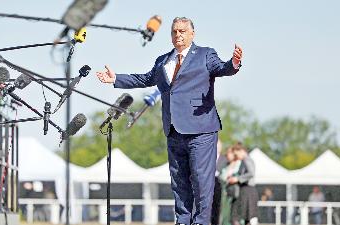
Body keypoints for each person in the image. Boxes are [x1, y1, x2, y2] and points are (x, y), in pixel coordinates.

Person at [96, 16, 243, 225]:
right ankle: (182, 221)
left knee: (202, 182)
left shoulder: (205, 54)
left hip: (201, 130)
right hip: (173, 130)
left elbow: (222, 68)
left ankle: (201, 222)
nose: (178, 35)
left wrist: (234, 62)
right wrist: (116, 78)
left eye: (182, 31)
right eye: (174, 31)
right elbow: (145, 78)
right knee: (179, 183)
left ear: (192, 33)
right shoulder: (163, 60)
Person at [229, 143, 258, 225]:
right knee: (246, 218)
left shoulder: (246, 159)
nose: (236, 156)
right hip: (247, 190)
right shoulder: (246, 160)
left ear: (241, 151)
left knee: (235, 216)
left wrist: (237, 179)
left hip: (247, 191)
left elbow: (251, 173)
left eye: (236, 154)